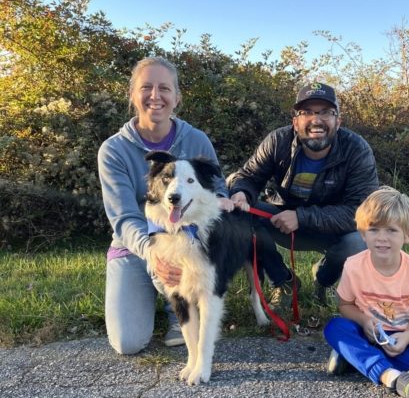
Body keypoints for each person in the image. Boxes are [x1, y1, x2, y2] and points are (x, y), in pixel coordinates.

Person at [97, 56, 234, 354]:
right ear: (133, 95)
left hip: (189, 244)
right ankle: (158, 293)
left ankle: (177, 309)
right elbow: (123, 218)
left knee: (186, 265)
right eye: (146, 87)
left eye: (165, 88)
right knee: (127, 343)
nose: (155, 96)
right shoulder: (113, 150)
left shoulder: (196, 140)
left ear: (177, 97)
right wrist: (152, 255)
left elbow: (217, 187)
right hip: (135, 246)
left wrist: (226, 199)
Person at [229, 82, 379, 309]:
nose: (316, 120)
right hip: (280, 221)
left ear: (338, 120)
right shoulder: (277, 140)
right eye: (307, 112)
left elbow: (361, 211)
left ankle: (324, 280)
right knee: (241, 215)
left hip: (334, 229)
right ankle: (284, 281)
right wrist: (240, 193)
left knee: (360, 240)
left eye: (325, 113)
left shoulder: (357, 149)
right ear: (295, 121)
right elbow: (249, 176)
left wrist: (301, 216)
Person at [323, 187, 409, 398]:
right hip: (366, 330)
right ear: (363, 234)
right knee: (334, 328)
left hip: (400, 335)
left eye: (391, 230)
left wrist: (407, 337)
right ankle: (391, 376)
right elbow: (345, 305)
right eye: (374, 229)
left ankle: (355, 356)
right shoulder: (353, 266)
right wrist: (364, 321)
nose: (382, 238)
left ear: (407, 235)